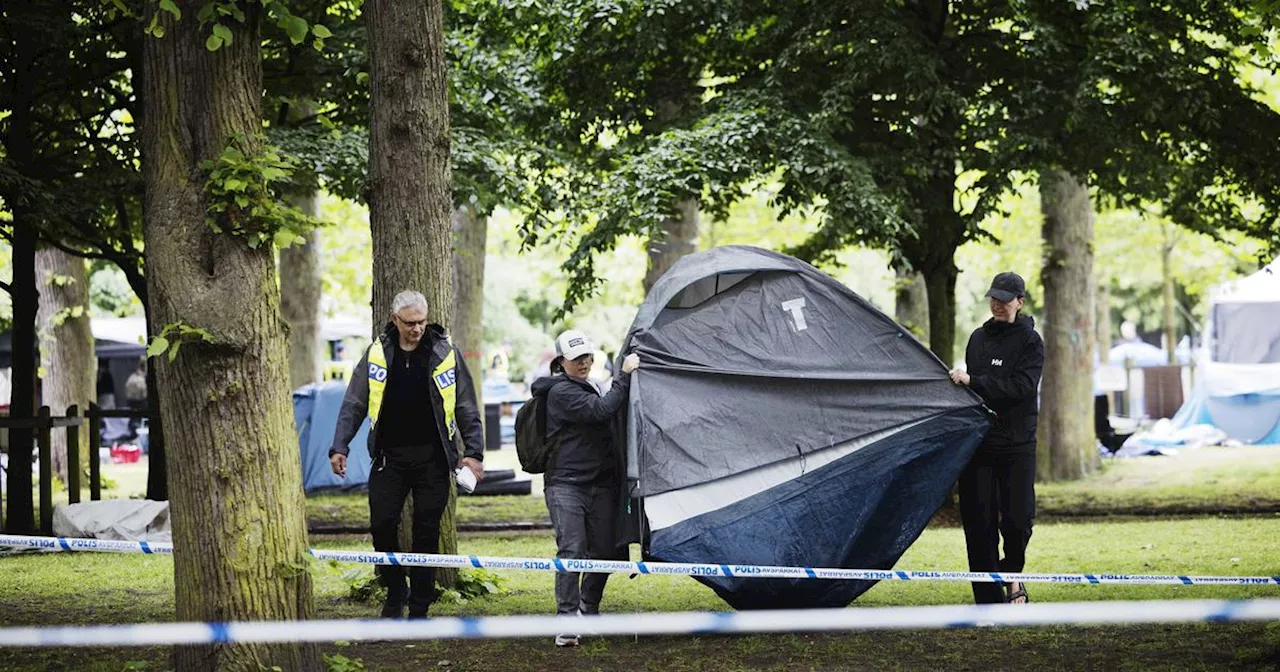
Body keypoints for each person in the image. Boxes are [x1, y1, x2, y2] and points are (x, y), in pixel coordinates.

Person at [329, 290, 485, 619]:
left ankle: (419, 607)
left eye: (422, 322)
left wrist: (474, 453)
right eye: (410, 323)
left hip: (434, 459)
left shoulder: (445, 352)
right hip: (390, 458)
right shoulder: (376, 355)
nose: (417, 328)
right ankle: (396, 589)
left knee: (427, 532)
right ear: (394, 320)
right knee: (382, 524)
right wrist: (339, 445)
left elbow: (467, 406)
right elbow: (354, 403)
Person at [529, 329, 640, 647]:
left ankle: (587, 611)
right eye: (577, 358)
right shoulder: (562, 393)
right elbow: (601, 411)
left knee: (606, 552)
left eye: (588, 356)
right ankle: (566, 621)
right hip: (566, 487)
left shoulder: (587, 385)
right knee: (572, 552)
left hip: (600, 487)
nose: (584, 362)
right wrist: (624, 375)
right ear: (561, 361)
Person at [948, 272, 1044, 605]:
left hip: (1017, 444)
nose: (997, 304)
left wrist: (975, 381)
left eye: (1004, 299)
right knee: (978, 521)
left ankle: (1012, 575)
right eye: (993, 298)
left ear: (1020, 301)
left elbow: (1021, 388)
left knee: (1018, 520)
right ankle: (987, 599)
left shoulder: (1031, 342)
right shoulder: (977, 338)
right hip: (979, 445)